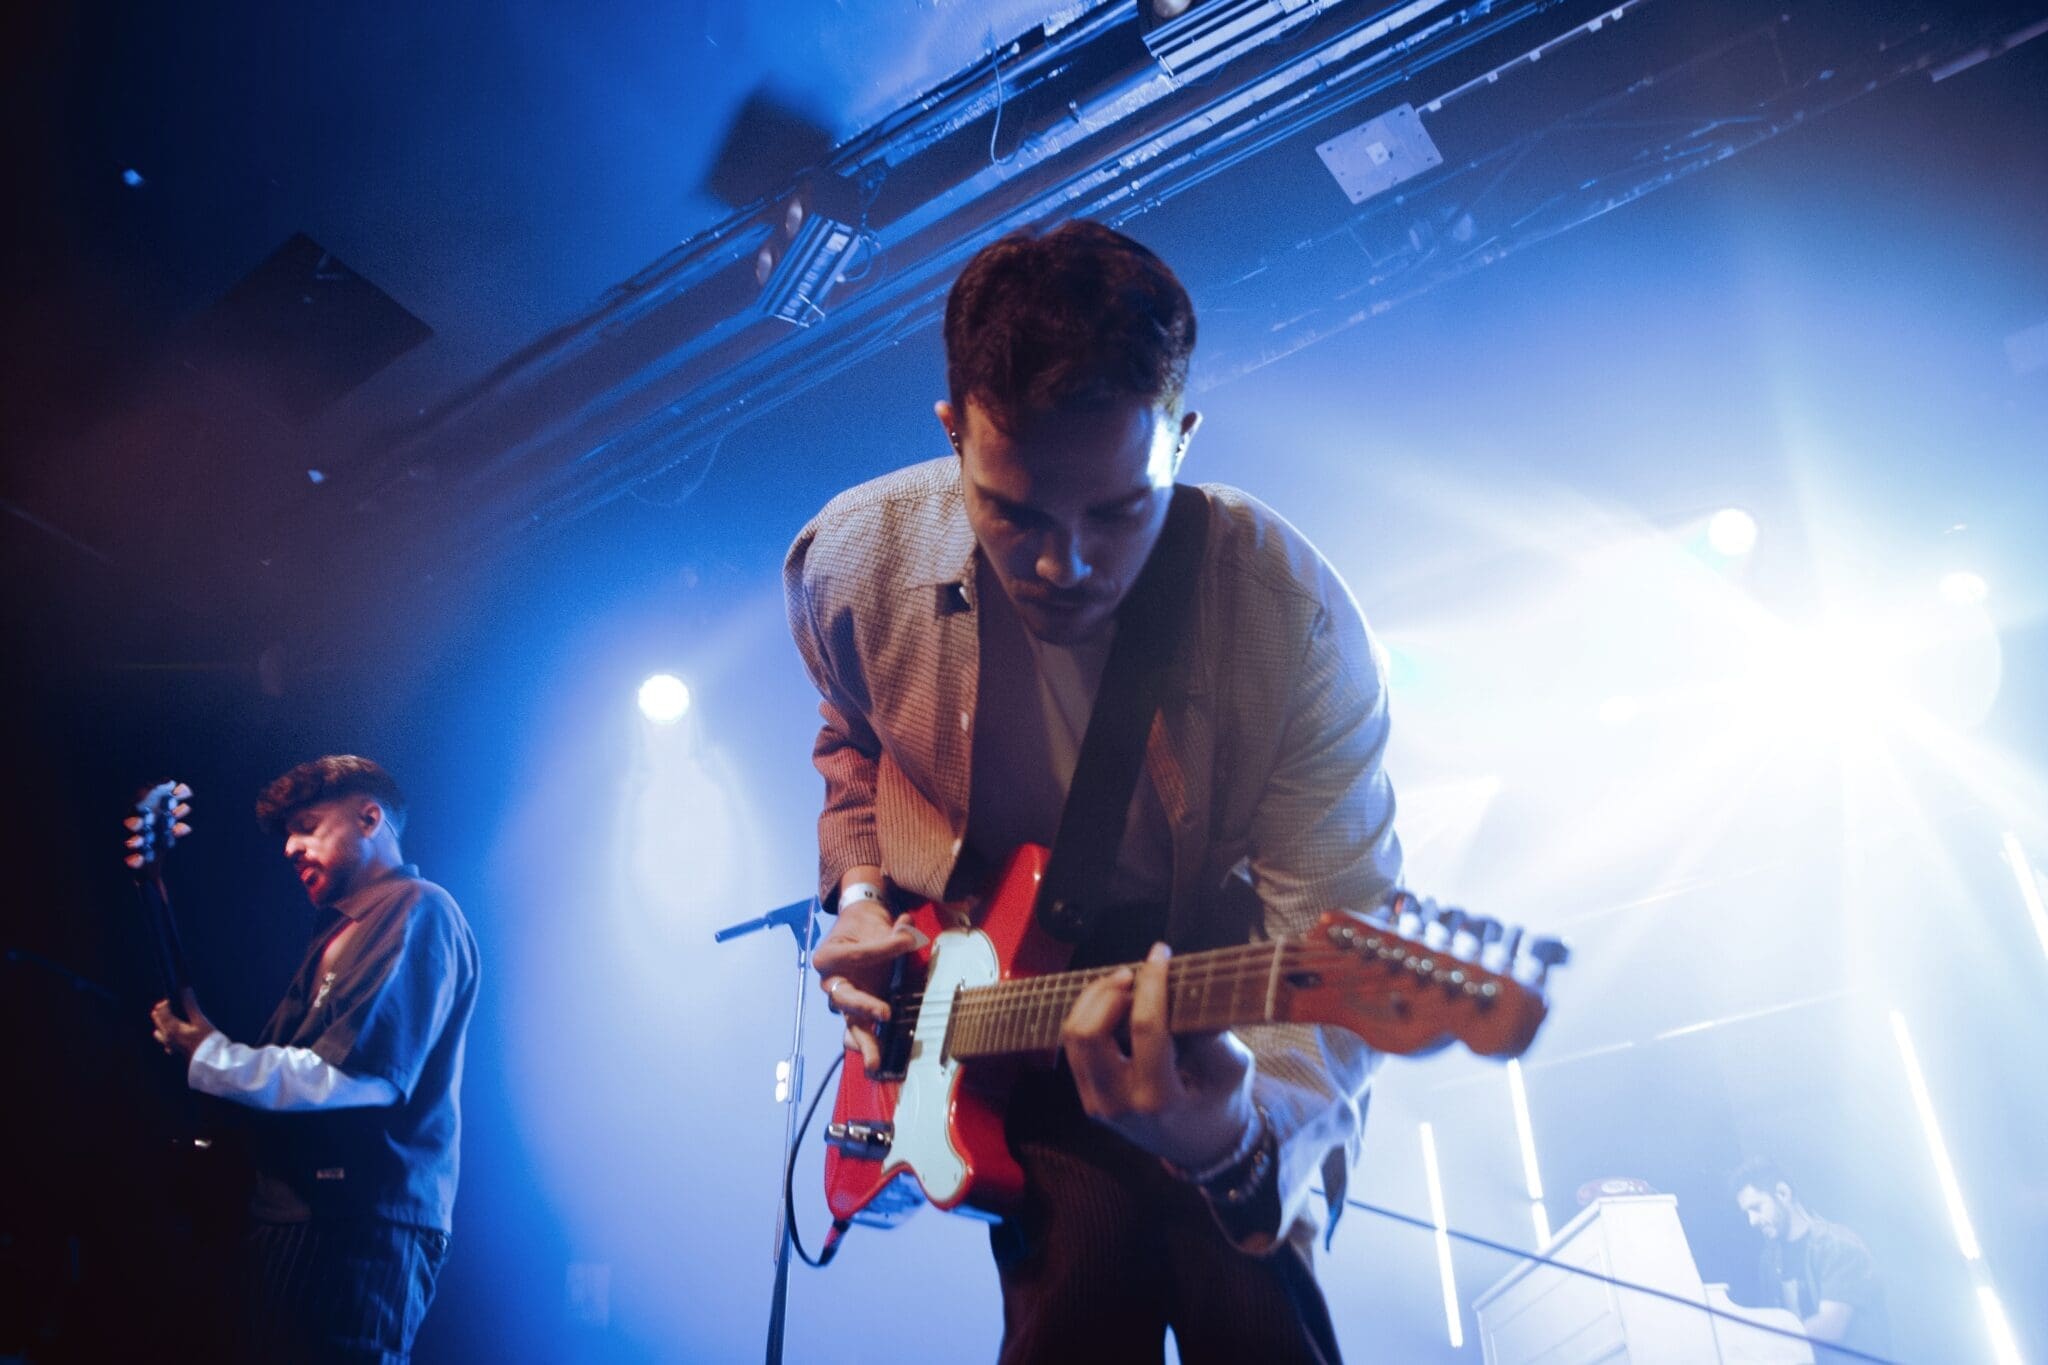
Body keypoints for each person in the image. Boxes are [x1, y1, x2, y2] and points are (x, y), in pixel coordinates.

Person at [784, 220, 1401, 1362]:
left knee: (1254, 1311)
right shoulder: (849, 565)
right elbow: (853, 742)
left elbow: (1338, 925)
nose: (1058, 564)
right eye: (1012, 510)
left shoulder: (1291, 618)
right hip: (999, 1022)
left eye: (1117, 511)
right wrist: (863, 898)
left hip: (1216, 1004)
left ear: (1182, 436)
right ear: (951, 431)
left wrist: (1231, 1139)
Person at [150, 754, 480, 1364]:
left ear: (369, 819)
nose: (289, 848)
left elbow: (359, 1078)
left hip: (359, 1221)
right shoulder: (335, 934)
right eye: (287, 835)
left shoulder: (418, 909)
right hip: (297, 1215)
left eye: (307, 826)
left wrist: (210, 1054)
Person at [1730, 1157, 1892, 1358]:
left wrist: (1757, 1344)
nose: (1752, 1221)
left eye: (1756, 1208)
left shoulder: (1838, 1245)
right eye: (1747, 1213)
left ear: (1783, 1193)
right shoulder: (1770, 1259)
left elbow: (1830, 1327)